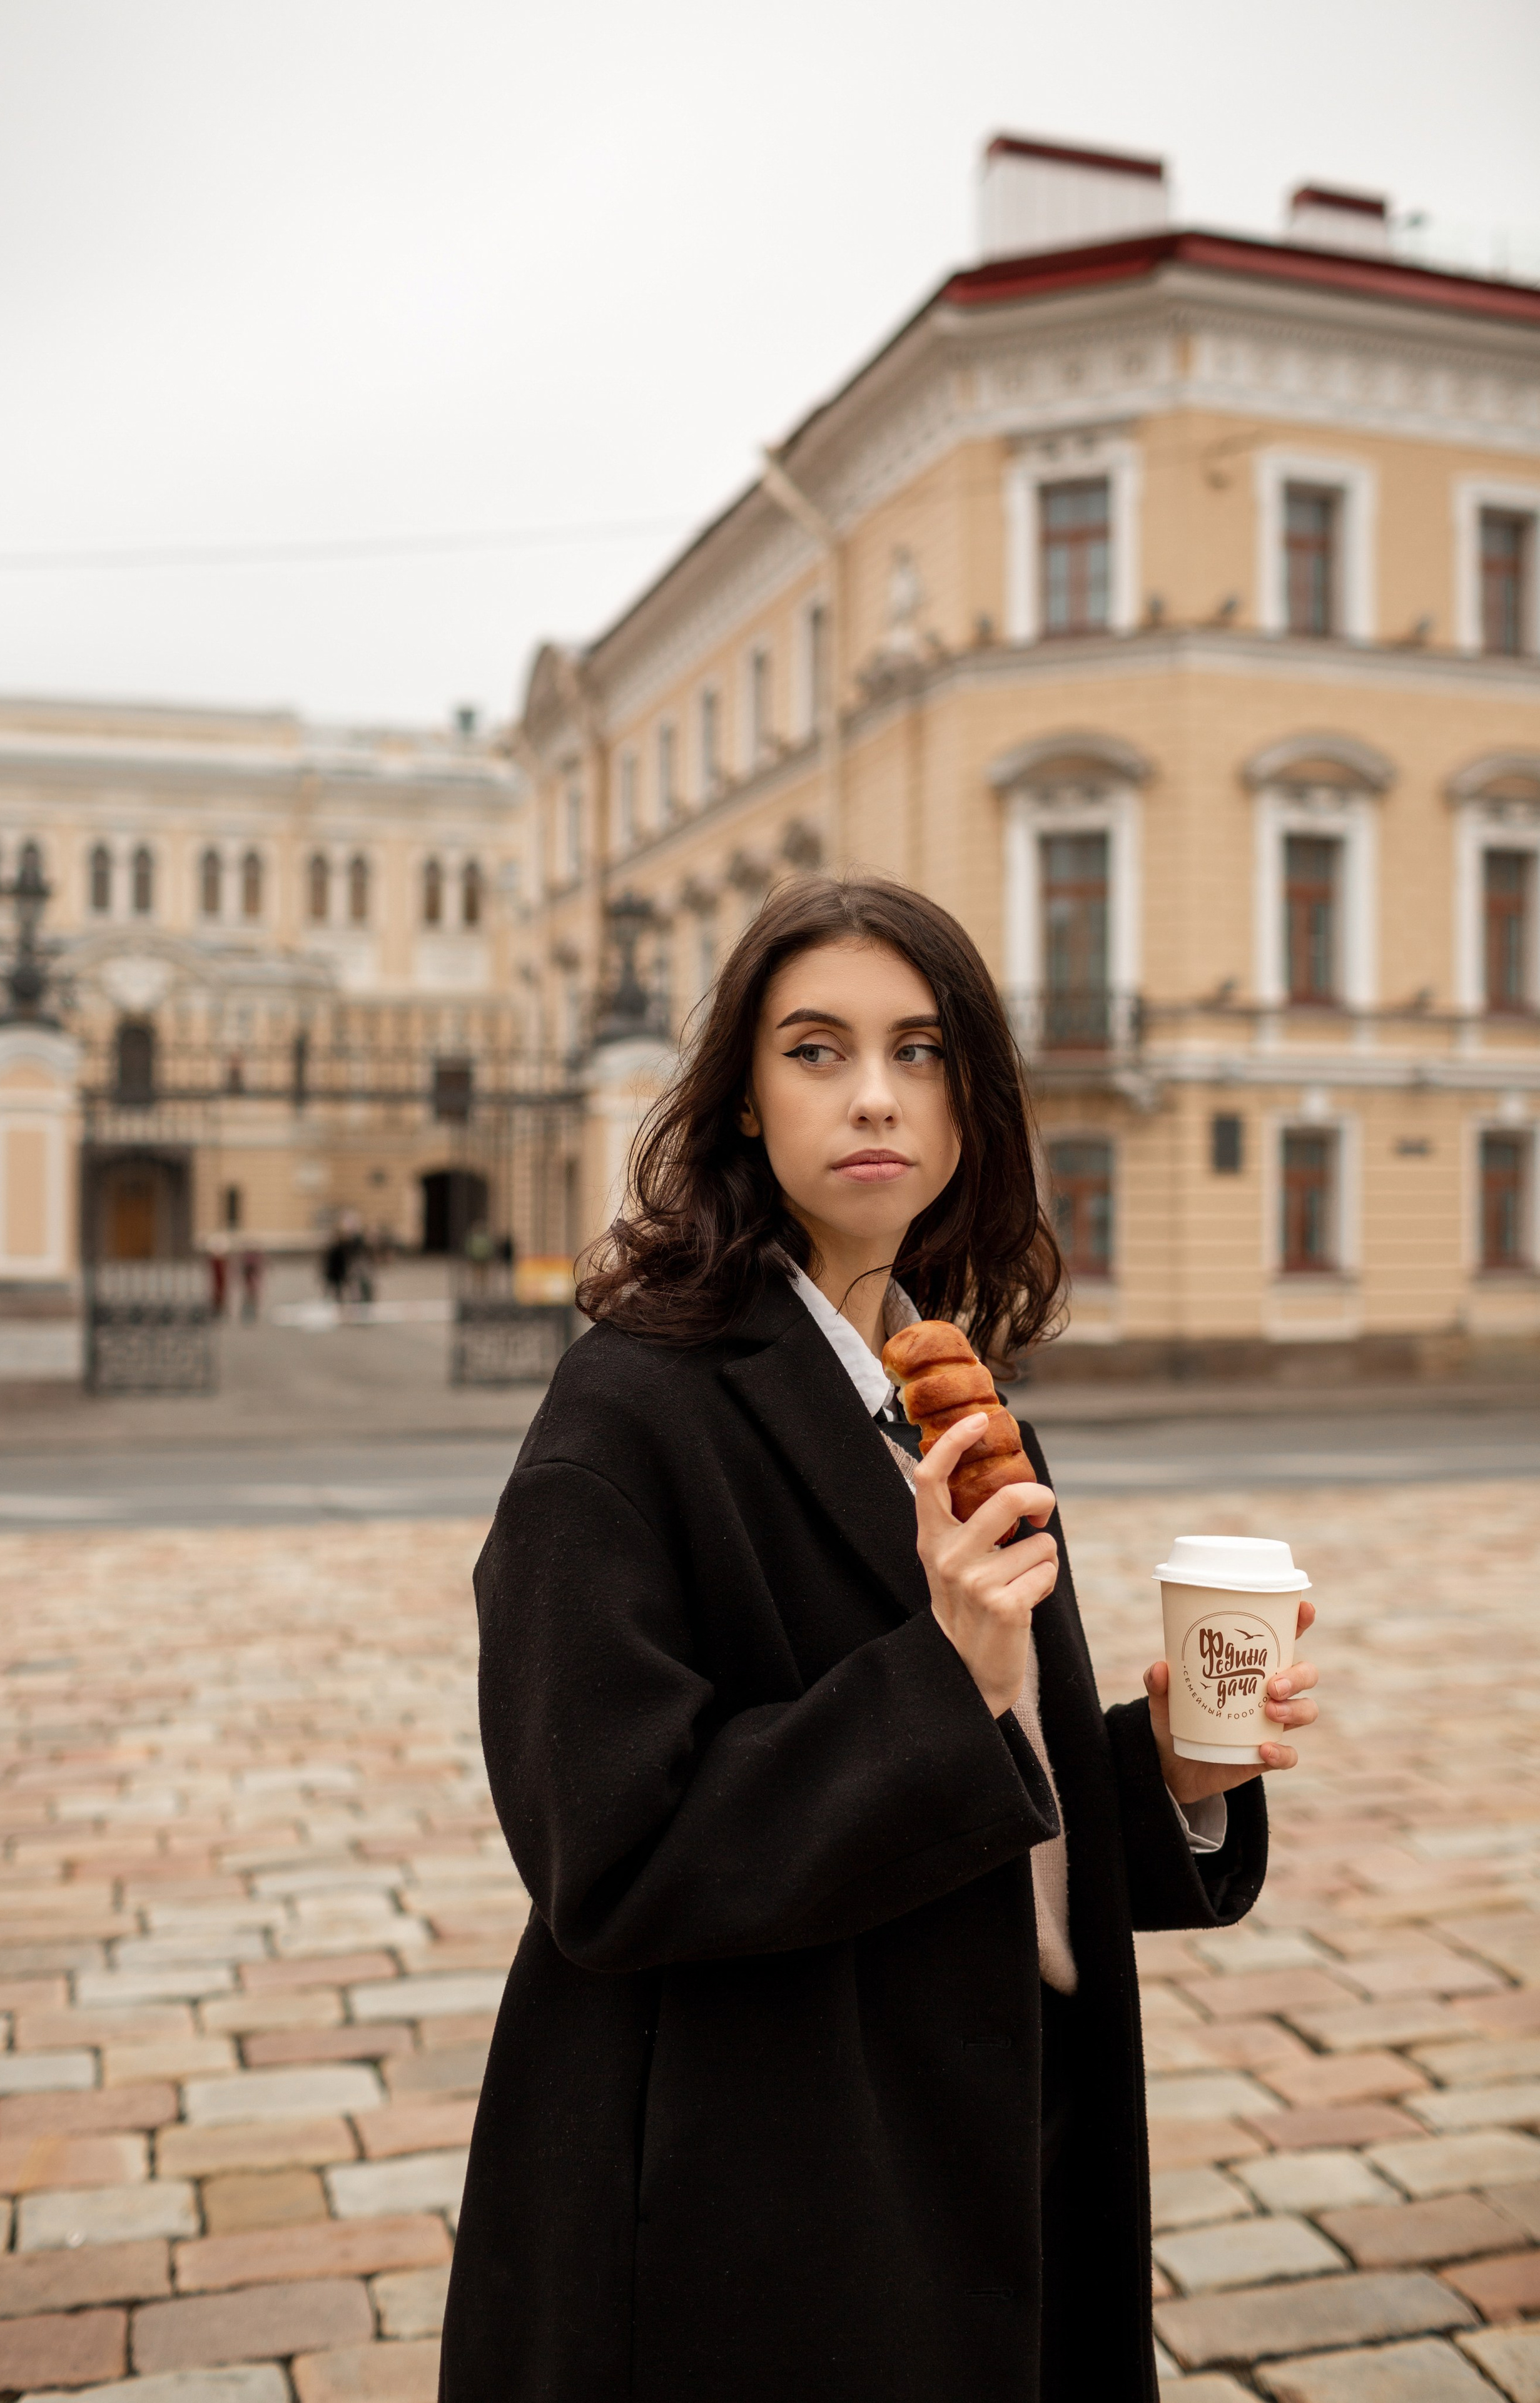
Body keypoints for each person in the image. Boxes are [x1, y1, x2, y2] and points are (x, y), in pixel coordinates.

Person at [440, 876, 1318, 2403]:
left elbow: (989, 1805)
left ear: (970, 1103)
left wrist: (1164, 1767)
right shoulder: (625, 1414)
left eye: (918, 1052)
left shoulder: (949, 1393)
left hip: (999, 2134)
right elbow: (609, 1855)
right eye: (815, 1048)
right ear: (737, 1105)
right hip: (764, 2198)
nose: (873, 1094)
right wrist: (950, 1676)